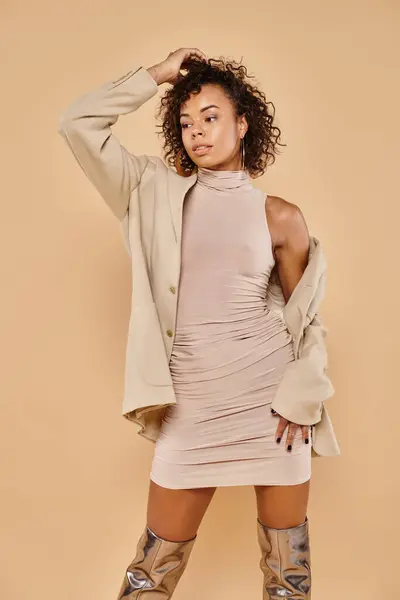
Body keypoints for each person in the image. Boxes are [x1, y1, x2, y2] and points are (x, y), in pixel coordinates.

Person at [59, 48, 323, 599]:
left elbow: (306, 324)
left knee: (288, 581)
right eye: (185, 122)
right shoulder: (149, 192)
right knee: (150, 575)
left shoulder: (281, 216)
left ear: (242, 123)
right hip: (191, 404)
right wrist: (155, 76)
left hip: (272, 407)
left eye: (211, 117)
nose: (197, 133)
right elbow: (77, 123)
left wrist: (302, 395)